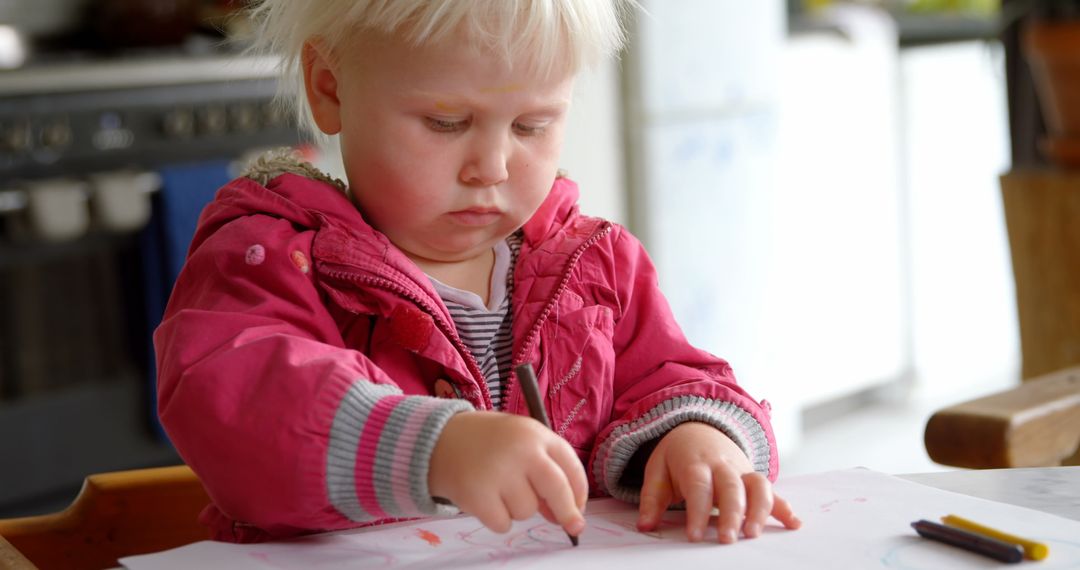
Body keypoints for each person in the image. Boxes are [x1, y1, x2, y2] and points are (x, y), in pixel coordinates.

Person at [155, 0, 801, 546]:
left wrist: (698, 437)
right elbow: (239, 401)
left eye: (531, 125)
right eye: (447, 122)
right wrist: (434, 448)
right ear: (331, 87)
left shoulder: (597, 269)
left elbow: (674, 376)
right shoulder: (272, 256)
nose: (490, 166)